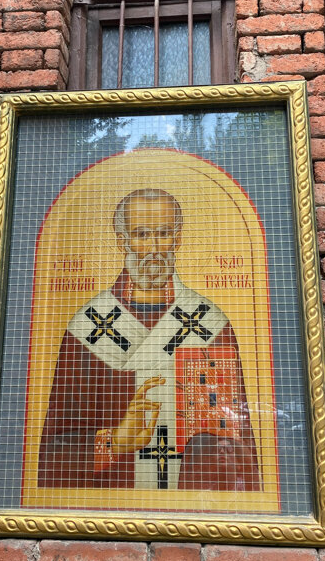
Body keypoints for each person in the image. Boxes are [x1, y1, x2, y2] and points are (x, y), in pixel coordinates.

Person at [38, 188, 260, 490]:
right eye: (142, 235)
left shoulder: (210, 325)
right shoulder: (86, 329)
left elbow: (234, 442)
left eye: (164, 234)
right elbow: (54, 450)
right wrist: (114, 441)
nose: (154, 248)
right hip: (111, 501)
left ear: (177, 238)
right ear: (123, 241)